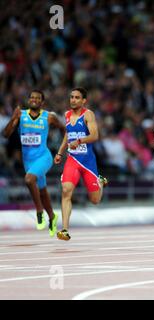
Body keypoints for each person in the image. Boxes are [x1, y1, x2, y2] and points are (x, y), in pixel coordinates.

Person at [2, 90, 65, 236]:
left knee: (29, 179)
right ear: (29, 100)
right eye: (32, 97)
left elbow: (63, 129)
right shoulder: (21, 115)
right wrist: (13, 118)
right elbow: (6, 134)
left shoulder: (49, 117)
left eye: (38, 98)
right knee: (42, 191)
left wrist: (64, 150)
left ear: (42, 102)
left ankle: (39, 212)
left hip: (44, 157)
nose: (34, 100)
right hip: (28, 160)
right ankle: (52, 217)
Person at [54, 87, 108, 241]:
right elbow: (67, 134)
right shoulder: (66, 115)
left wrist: (79, 141)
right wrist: (59, 152)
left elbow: (95, 135)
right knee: (66, 190)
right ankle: (64, 229)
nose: (73, 100)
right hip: (73, 160)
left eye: (77, 97)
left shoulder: (88, 115)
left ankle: (101, 182)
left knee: (95, 200)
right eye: (71, 97)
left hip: (87, 161)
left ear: (84, 100)